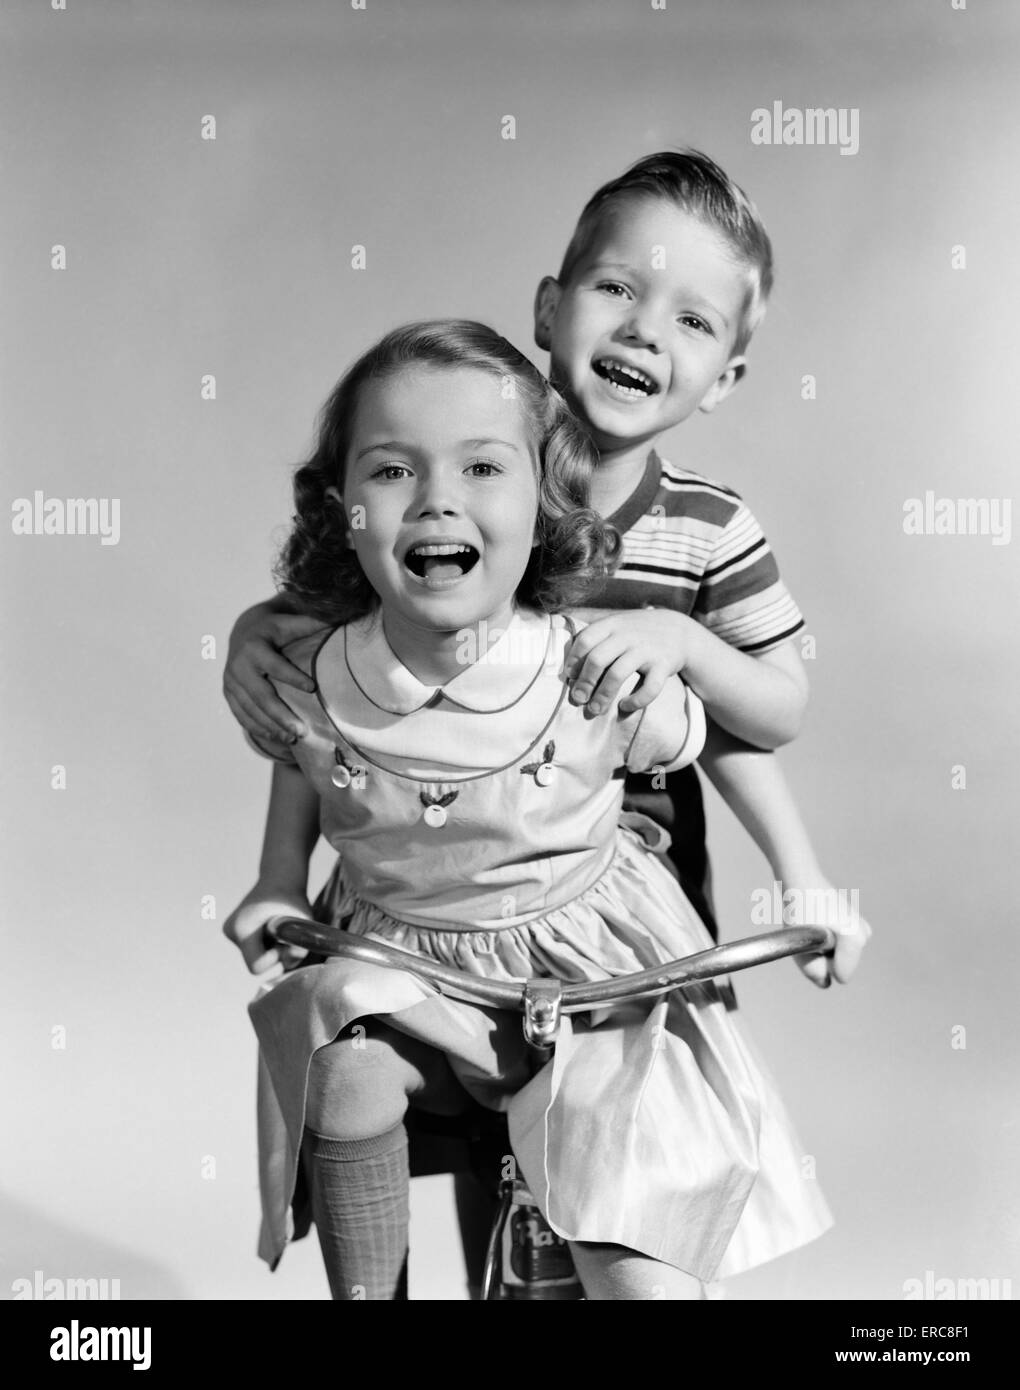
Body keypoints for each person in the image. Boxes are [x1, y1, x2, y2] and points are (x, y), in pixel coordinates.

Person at [224, 318, 842, 1301]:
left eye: (482, 469)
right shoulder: (311, 667)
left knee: (634, 1256)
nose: (436, 500)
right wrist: (275, 878)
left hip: (590, 989)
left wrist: (809, 884)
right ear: (340, 506)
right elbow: (311, 760)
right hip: (412, 969)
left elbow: (732, 741)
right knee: (342, 1064)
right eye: (391, 472)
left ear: (546, 498)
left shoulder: (588, 665)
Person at [223, 151, 870, 984]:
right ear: (548, 308)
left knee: (621, 1100)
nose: (644, 330)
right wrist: (251, 635)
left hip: (621, 902)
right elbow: (334, 647)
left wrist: (681, 642)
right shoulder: (462, 481)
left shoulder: (707, 530)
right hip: (431, 884)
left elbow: (768, 720)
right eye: (618, 289)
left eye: (694, 321)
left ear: (724, 379)